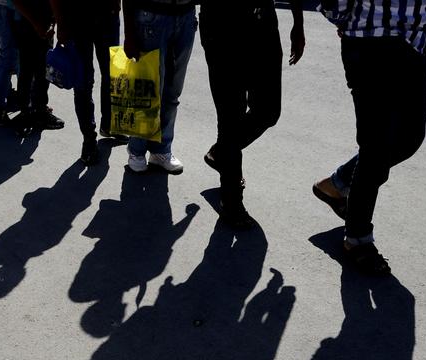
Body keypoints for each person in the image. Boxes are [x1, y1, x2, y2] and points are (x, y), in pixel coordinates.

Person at [312, 0, 426, 275]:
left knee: (409, 139)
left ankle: (337, 183)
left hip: (416, 40)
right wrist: (346, 21)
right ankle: (357, 238)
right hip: (370, 45)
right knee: (375, 146)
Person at [199, 0, 304, 229]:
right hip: (221, 28)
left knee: (269, 111)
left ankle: (221, 154)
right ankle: (231, 201)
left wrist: (298, 23)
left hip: (263, 24)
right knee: (229, 115)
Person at [121, 0, 198, 175]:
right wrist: (129, 34)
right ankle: (136, 150)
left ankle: (161, 150)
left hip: (185, 15)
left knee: (172, 92)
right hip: (152, 15)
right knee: (147, 91)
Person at [50, 0, 124, 165]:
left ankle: (109, 124)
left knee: (112, 74)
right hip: (76, 20)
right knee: (83, 82)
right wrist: (61, 23)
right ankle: (89, 139)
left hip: (108, 16)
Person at [11, 0, 64, 132]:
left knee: (43, 72)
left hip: (45, 24)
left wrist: (52, 24)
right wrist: (36, 24)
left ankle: (40, 110)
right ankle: (25, 113)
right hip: (26, 25)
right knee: (26, 71)